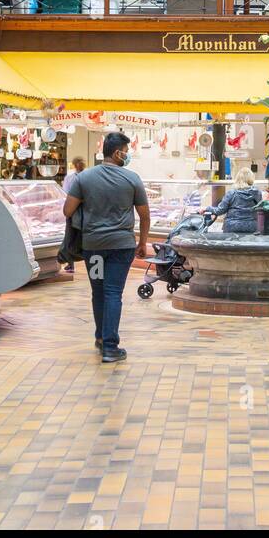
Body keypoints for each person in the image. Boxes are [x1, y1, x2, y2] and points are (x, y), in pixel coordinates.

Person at [63, 131, 150, 364]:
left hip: (94, 248)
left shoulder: (84, 178)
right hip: (121, 248)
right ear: (117, 152)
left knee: (98, 291)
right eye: (127, 151)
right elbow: (144, 215)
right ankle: (110, 347)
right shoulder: (132, 179)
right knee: (113, 292)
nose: (128, 155)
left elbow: (67, 211)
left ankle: (101, 338)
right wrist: (142, 242)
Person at [207, 167, 263, 232]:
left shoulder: (232, 193)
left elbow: (220, 211)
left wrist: (208, 208)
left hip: (232, 226)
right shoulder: (257, 193)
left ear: (238, 178)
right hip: (251, 227)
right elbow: (260, 209)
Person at [59, 159, 86, 274]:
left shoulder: (71, 178)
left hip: (73, 210)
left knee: (71, 236)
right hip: (84, 211)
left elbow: (65, 193)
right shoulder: (88, 176)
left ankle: (70, 262)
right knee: (76, 235)